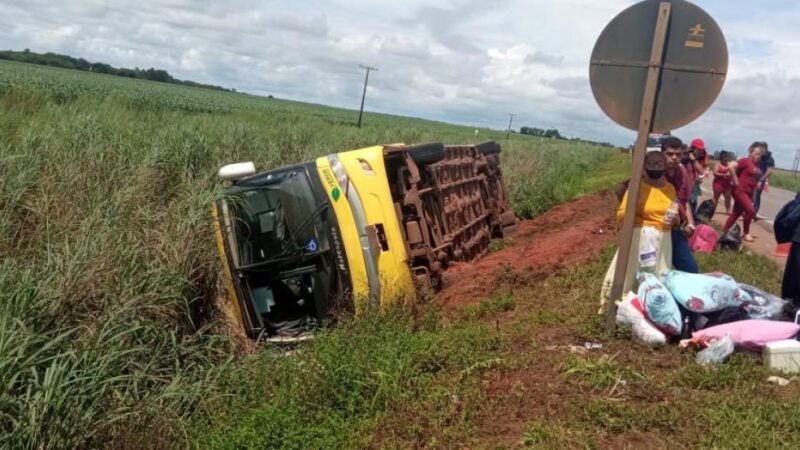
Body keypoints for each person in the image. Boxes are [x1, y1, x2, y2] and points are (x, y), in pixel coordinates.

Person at [601, 151, 677, 312]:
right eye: (651, 164)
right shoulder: (636, 187)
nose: (655, 168)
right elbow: (621, 216)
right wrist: (633, 206)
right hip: (638, 239)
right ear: (644, 167)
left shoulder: (670, 189)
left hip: (663, 240)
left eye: (659, 164)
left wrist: (675, 219)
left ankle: (651, 312)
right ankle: (618, 311)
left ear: (665, 166)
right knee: (630, 277)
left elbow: (674, 214)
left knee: (657, 277)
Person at [614, 137, 700, 273]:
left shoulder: (682, 173)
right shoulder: (651, 172)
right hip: (650, 230)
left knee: (690, 269)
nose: (674, 158)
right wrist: (633, 218)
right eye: (670, 154)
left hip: (675, 229)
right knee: (645, 270)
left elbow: (685, 201)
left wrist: (690, 223)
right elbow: (622, 190)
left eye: (678, 154)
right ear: (662, 154)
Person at [722, 142, 764, 242]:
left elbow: (754, 180)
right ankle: (746, 233)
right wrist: (735, 179)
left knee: (736, 213)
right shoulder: (745, 161)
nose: (757, 156)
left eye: (759, 154)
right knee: (751, 210)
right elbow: (731, 166)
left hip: (748, 192)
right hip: (740, 190)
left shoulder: (758, 165)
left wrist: (753, 195)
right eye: (756, 153)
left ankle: (724, 230)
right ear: (751, 152)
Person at [684, 138, 707, 214]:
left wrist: (694, 160)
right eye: (699, 150)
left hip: (692, 189)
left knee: (693, 211)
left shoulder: (696, 160)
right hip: (684, 190)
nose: (700, 152)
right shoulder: (685, 158)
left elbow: (701, 171)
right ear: (693, 148)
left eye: (701, 150)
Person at [753, 141, 775, 219]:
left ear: (765, 148)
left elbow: (770, 171)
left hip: (760, 180)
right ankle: (747, 212)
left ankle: (753, 214)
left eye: (761, 148)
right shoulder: (757, 155)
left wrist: (761, 180)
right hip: (752, 178)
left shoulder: (769, 159)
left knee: (756, 196)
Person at [711, 150, 733, 215]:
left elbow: (733, 172)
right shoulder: (718, 163)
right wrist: (723, 175)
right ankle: (712, 210)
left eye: (726, 158)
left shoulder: (729, 164)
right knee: (716, 197)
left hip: (727, 184)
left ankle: (728, 210)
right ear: (721, 158)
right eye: (724, 158)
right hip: (718, 183)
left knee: (728, 197)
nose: (725, 160)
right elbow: (715, 172)